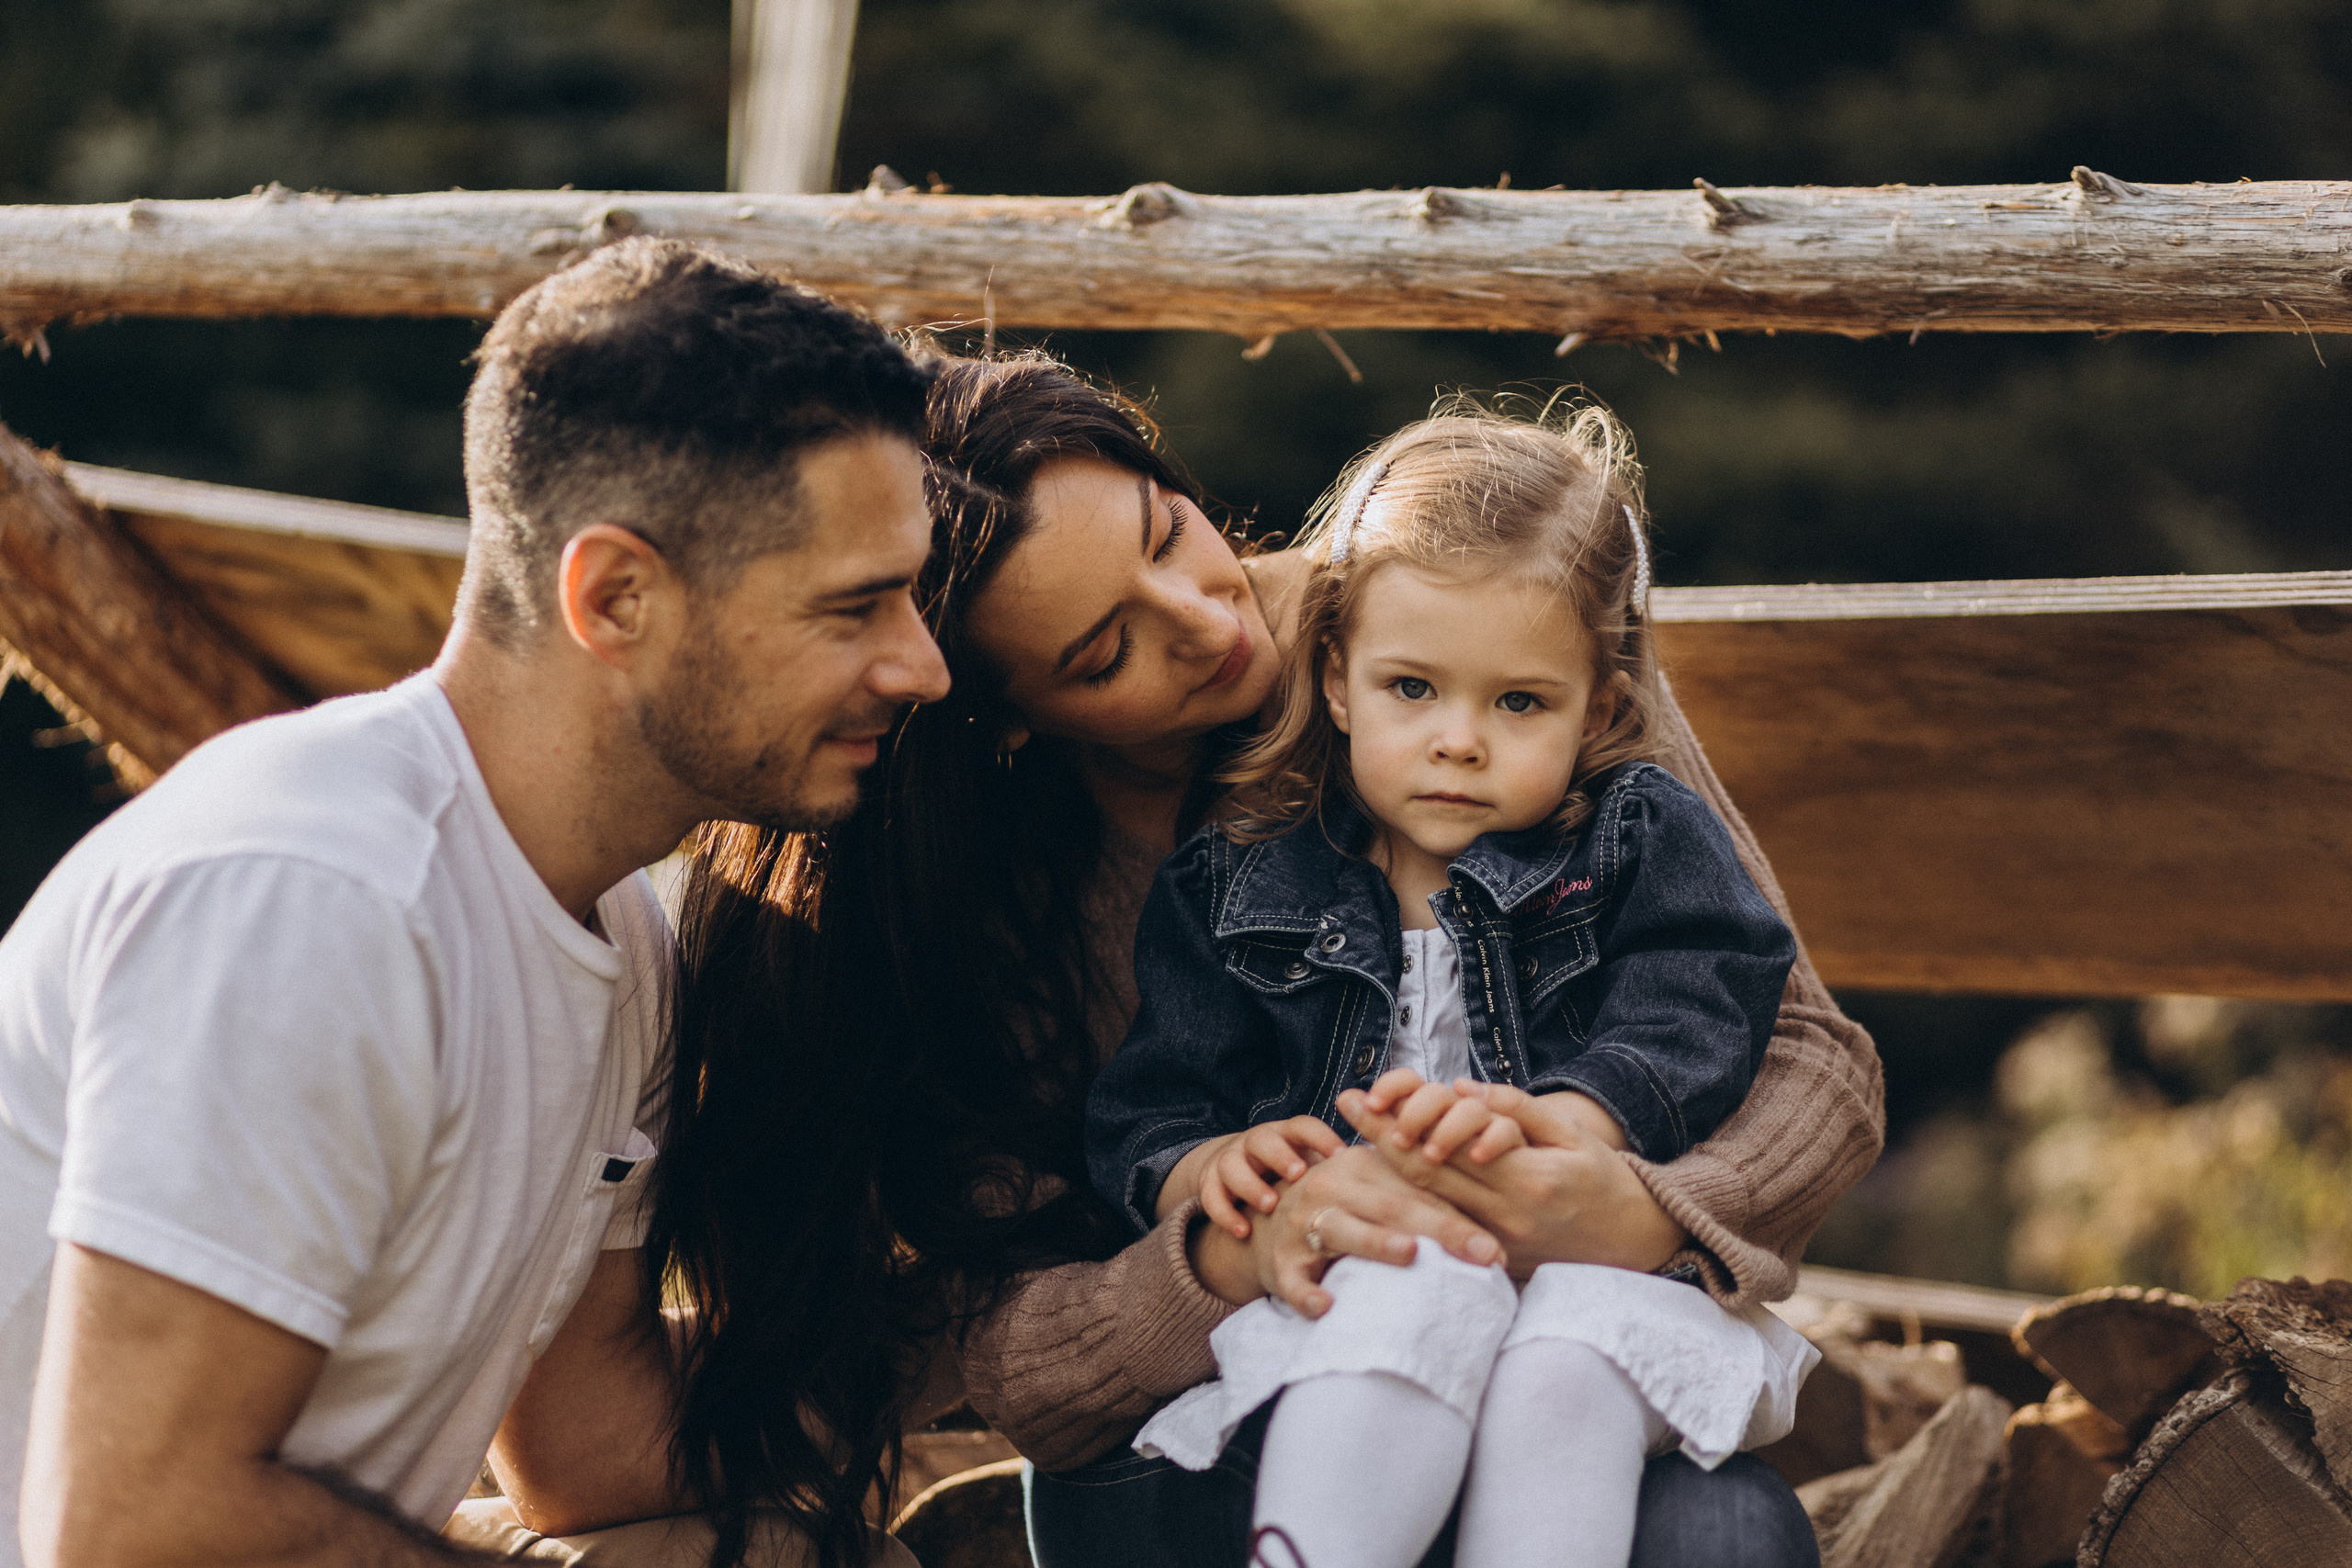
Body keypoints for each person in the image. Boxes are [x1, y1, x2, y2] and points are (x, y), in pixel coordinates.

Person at [654, 352, 1883, 1568]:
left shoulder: (1460, 603)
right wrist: (1232, 1244)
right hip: (1236, 1406)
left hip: (1545, 1347)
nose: (1205, 616)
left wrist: (1632, 1205)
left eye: (1165, 531)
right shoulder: (1009, 904)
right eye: (1104, 653)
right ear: (1011, 716)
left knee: (1723, 1530)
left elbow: (1806, 1055)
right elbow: (1021, 1353)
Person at [0, 237, 945, 1568]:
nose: (924, 665)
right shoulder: (310, 904)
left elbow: (594, 1444)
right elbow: (134, 1530)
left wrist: (1070, 1327)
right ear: (615, 596)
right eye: (857, 607)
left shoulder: (615, 926)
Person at [1087, 406, 1820, 1568]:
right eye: (1412, 688)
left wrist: (1580, 1119)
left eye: (1518, 702)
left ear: (1603, 712)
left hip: (1585, 1274)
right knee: (1395, 1303)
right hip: (1379, 1271)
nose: (1458, 741)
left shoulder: (1636, 837)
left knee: (1566, 1374)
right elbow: (1155, 1095)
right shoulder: (1235, 881)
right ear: (1336, 680)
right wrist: (1207, 1169)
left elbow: (1711, 991)